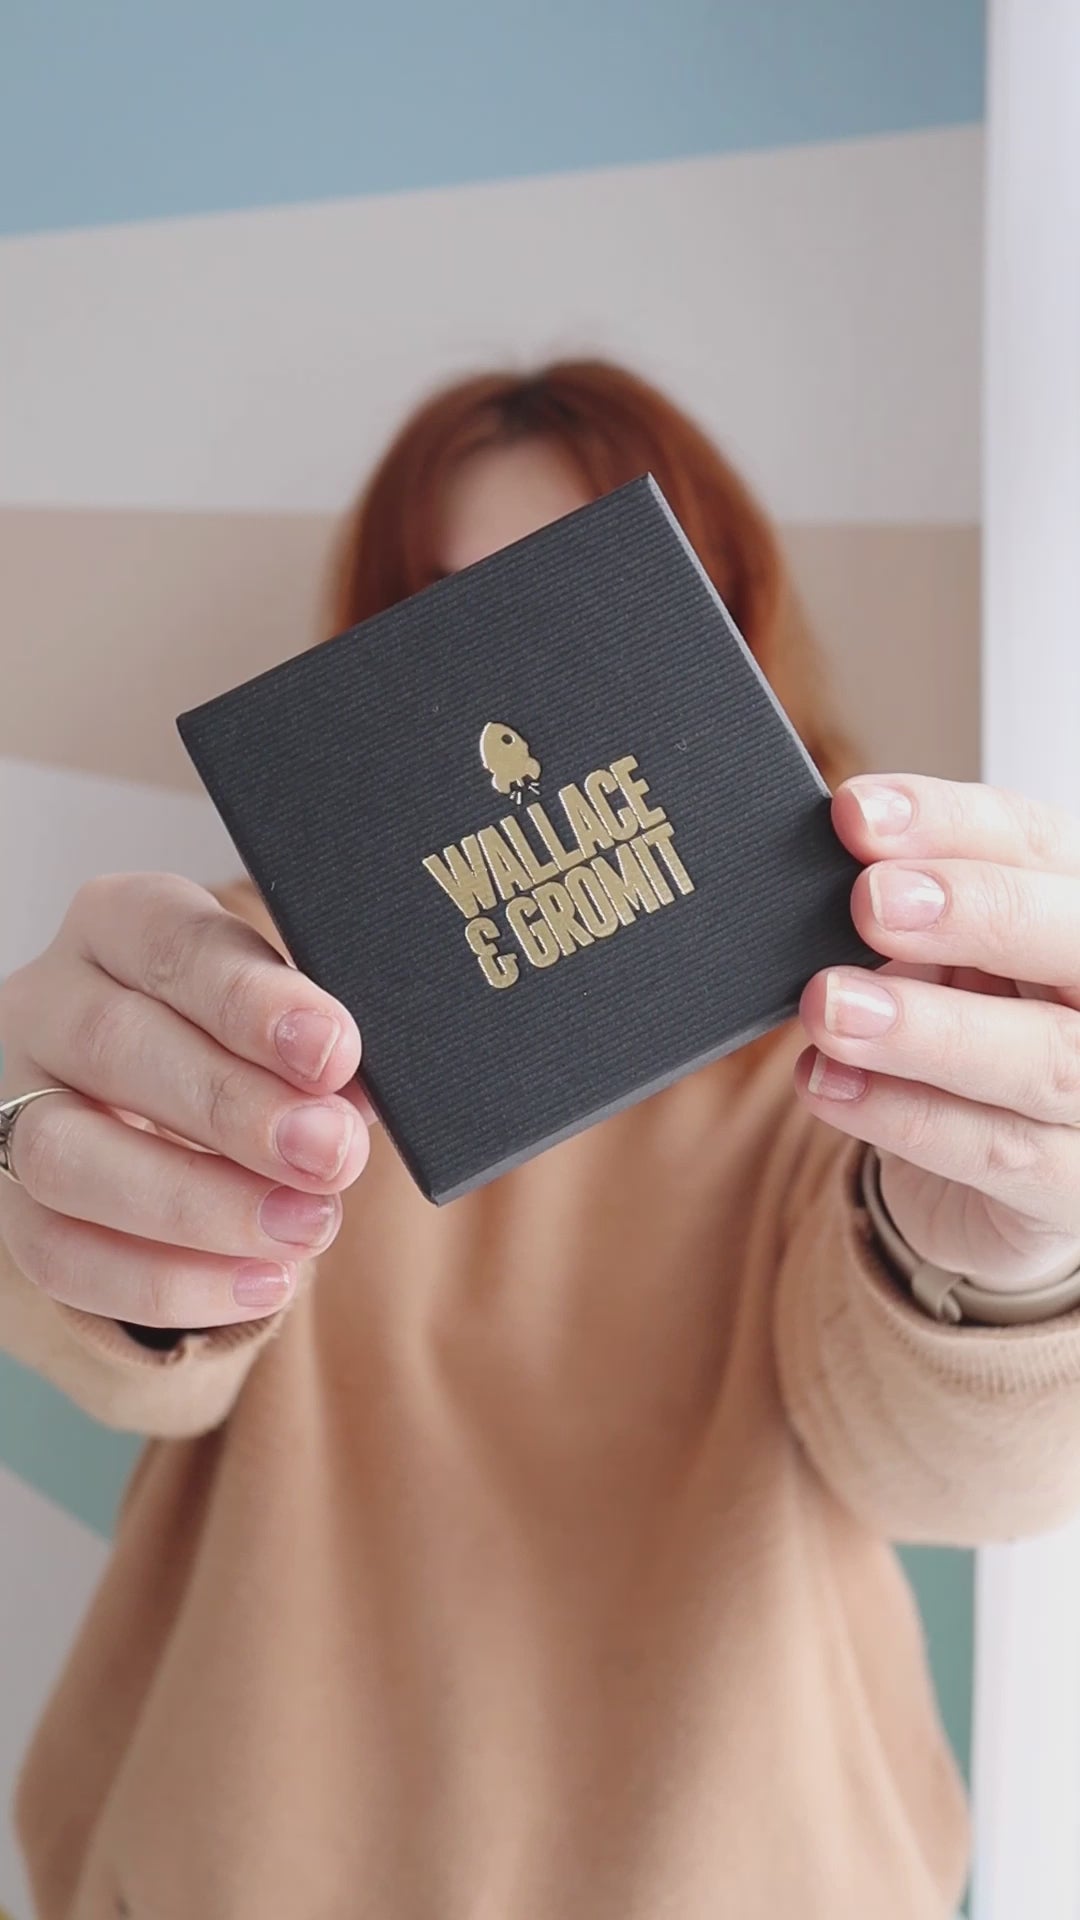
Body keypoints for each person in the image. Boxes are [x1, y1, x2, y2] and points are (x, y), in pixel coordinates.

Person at [3, 360, 1080, 1920]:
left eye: (600, 601)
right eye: (454, 613)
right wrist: (79, 1182)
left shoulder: (881, 1012)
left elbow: (949, 1476)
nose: (525, 695)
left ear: (728, 625)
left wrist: (1015, 1249)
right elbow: (120, 1349)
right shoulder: (246, 998)